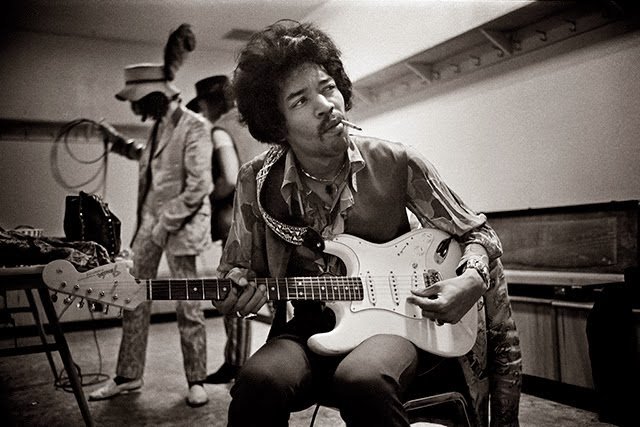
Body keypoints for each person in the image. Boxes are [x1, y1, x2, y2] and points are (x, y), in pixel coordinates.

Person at [212, 20, 522, 427]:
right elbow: (234, 271)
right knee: (256, 383)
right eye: (300, 101)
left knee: (363, 381)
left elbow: (477, 232)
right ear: (277, 123)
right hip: (308, 326)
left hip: (393, 322)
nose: (325, 104)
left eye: (327, 87)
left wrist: (471, 280)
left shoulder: (397, 161)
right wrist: (236, 294)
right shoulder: (257, 181)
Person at [89, 24, 212, 407]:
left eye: (138, 103)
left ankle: (197, 380)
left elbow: (198, 185)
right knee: (132, 298)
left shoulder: (195, 127)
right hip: (150, 227)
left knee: (188, 305)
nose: (135, 110)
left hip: (180, 229)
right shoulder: (160, 127)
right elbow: (149, 157)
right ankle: (127, 376)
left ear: (156, 96)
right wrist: (117, 143)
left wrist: (162, 224)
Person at [186, 75, 266, 383]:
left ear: (211, 103)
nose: (203, 111)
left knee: (237, 288)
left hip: (241, 222)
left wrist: (206, 195)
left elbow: (231, 178)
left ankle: (236, 363)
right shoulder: (257, 123)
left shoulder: (221, 129)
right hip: (275, 219)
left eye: (203, 105)